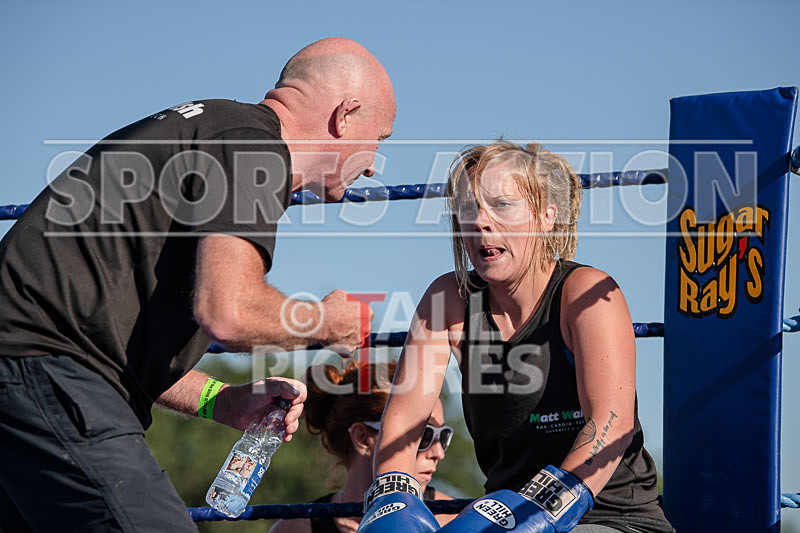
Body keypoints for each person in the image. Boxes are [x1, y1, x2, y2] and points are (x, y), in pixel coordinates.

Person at [0, 37, 395, 531]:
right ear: (346, 114)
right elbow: (229, 313)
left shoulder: (214, 130)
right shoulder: (253, 143)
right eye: (381, 138)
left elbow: (106, 339)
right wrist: (326, 322)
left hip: (34, 377)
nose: (376, 163)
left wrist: (221, 401)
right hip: (44, 375)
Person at [368, 142, 674, 532]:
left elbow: (611, 424)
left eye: (501, 205)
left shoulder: (586, 293)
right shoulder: (449, 300)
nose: (480, 222)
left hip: (611, 518)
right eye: (468, 209)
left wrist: (541, 512)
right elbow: (400, 432)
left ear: (547, 217)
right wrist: (393, 502)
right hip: (500, 517)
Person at [270, 361, 455, 533]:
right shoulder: (297, 528)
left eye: (444, 436)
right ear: (363, 438)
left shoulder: (453, 518)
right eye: (423, 435)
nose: (438, 452)